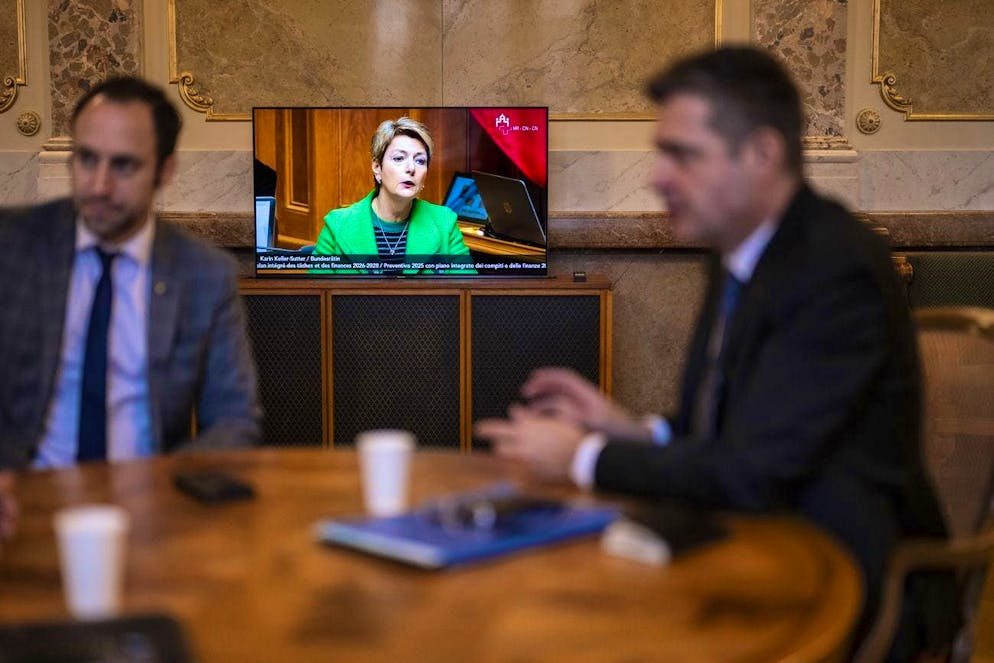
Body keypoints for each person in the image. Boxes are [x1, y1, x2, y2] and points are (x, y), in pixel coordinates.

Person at [475, 47, 956, 659]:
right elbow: (738, 425)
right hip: (756, 534)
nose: (657, 177)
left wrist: (586, 457)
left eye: (682, 154)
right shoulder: (737, 247)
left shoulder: (833, 269)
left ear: (760, 154)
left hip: (846, 576)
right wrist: (631, 429)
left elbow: (751, 471)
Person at [0, 76, 261, 471]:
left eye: (123, 165)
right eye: (87, 159)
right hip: (25, 496)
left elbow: (234, 418)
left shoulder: (204, 274)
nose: (99, 186)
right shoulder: (13, 246)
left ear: (164, 170)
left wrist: (165, 486)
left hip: (147, 499)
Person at [313, 116, 475, 275]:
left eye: (420, 161)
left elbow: (467, 292)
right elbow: (317, 296)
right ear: (377, 167)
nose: (411, 168)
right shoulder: (337, 224)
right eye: (399, 158)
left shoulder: (444, 222)